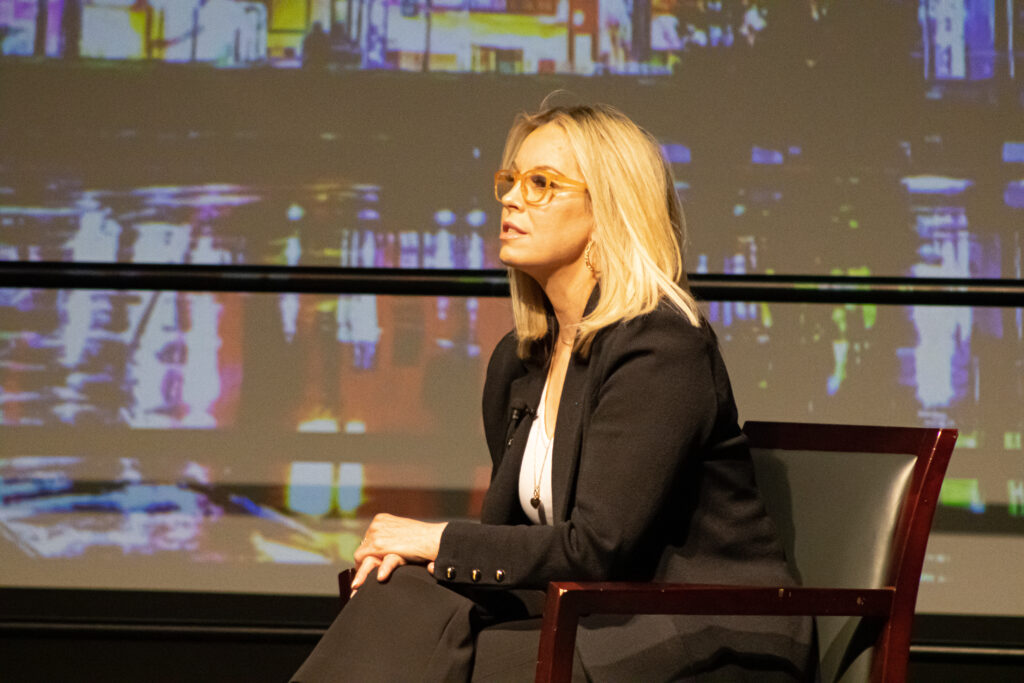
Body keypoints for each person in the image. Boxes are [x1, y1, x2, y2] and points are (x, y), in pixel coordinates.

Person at [291, 102, 814, 681]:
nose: (511, 199)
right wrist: (422, 557)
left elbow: (598, 546)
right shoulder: (519, 361)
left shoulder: (660, 346)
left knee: (461, 658)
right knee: (401, 595)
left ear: (608, 210)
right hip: (594, 615)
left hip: (705, 632)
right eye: (510, 181)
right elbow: (514, 535)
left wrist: (436, 538)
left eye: (541, 184)